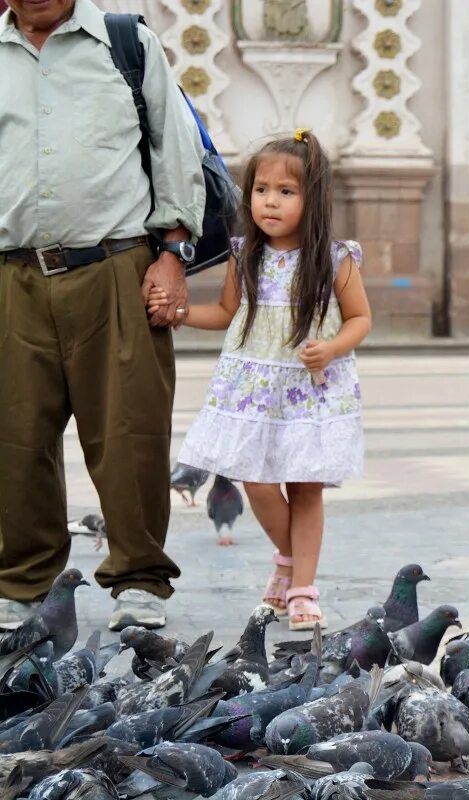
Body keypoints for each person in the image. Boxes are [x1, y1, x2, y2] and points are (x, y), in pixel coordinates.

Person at [0, 0, 205, 631]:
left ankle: (139, 578)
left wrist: (171, 253)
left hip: (116, 265)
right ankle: (22, 582)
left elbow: (175, 147)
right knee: (14, 436)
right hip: (12, 273)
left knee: (130, 431)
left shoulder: (126, 44)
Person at [154, 130, 371, 631]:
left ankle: (301, 591)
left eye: (286, 192)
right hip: (252, 389)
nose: (270, 201)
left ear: (312, 199)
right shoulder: (244, 254)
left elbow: (361, 318)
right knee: (256, 481)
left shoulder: (336, 259)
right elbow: (229, 312)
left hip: (310, 390)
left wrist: (332, 348)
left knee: (306, 488)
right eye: (261, 190)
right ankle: (289, 562)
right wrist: (181, 314)